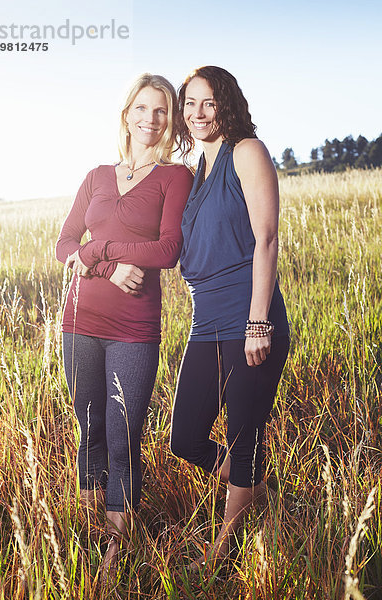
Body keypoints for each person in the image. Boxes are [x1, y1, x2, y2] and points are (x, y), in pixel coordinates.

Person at [55, 73, 193, 576]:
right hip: (78, 320)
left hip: (134, 327)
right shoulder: (95, 174)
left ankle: (117, 546)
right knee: (88, 429)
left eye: (161, 111)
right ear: (127, 113)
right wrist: (106, 264)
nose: (151, 120)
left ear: (171, 119)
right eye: (142, 108)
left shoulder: (176, 176)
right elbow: (65, 243)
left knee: (123, 435)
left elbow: (167, 249)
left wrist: (101, 250)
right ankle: (89, 529)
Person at [170, 66, 290, 570]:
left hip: (248, 316)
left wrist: (258, 320)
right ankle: (255, 485)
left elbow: (265, 237)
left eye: (208, 103)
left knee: (244, 436)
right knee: (186, 437)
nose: (198, 114)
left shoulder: (246, 151)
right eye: (190, 104)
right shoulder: (198, 168)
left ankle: (221, 554)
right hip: (205, 320)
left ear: (226, 105)